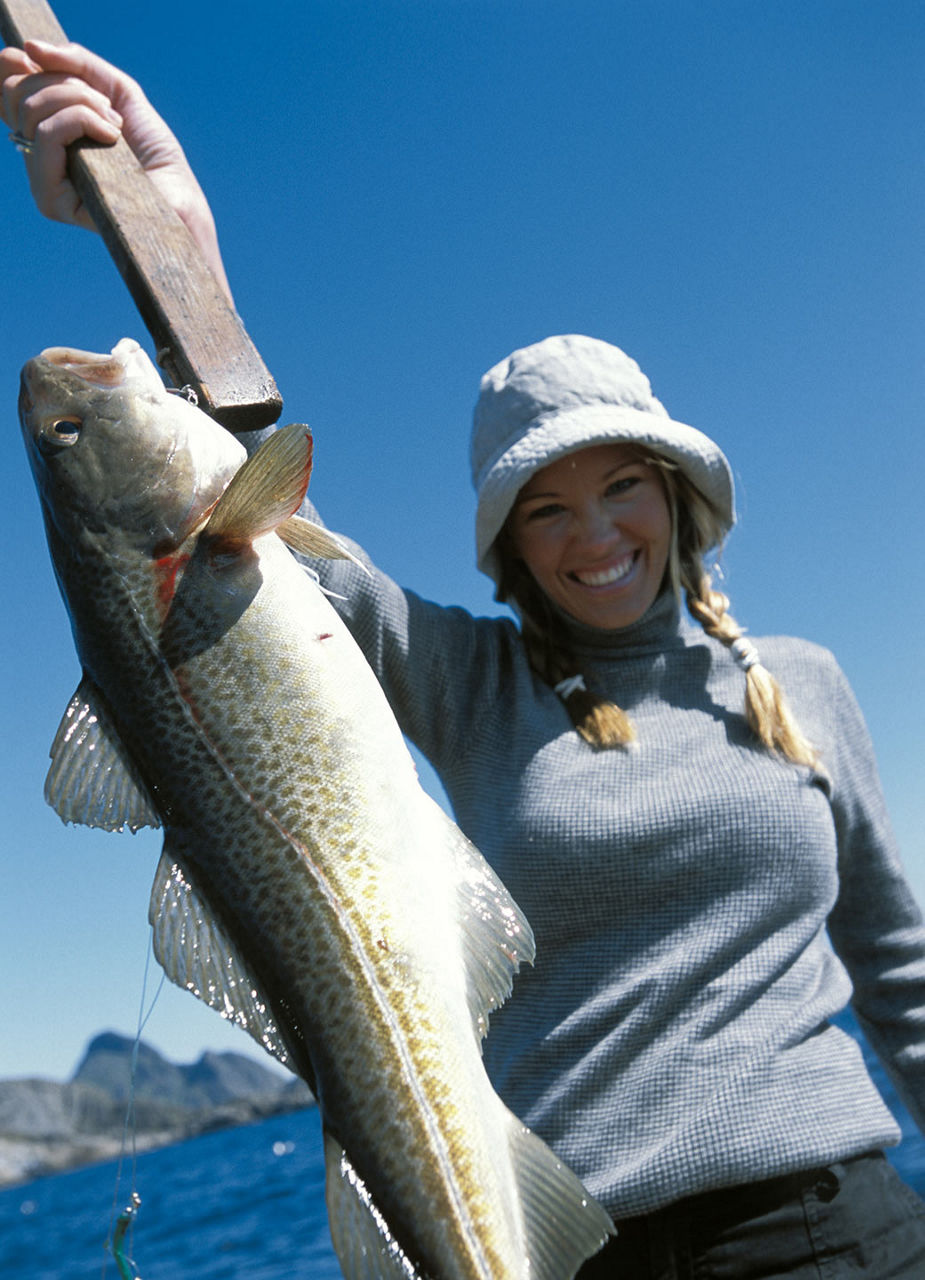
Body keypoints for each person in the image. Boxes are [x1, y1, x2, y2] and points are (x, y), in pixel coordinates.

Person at [4, 39, 925, 1280]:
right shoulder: (466, 677)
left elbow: (898, 968)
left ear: (676, 495)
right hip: (563, 1237)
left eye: (620, 486)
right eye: (546, 506)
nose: (594, 532)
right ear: (506, 541)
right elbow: (287, 546)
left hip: (833, 1231)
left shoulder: (804, 680)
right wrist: (171, 241)